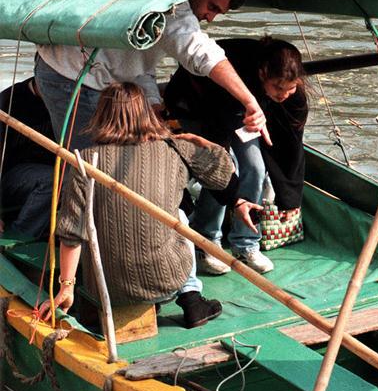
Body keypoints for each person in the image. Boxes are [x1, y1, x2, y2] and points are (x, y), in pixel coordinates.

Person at [38, 82, 261, 329]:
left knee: (100, 217)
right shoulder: (174, 148)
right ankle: (191, 298)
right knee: (177, 213)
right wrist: (202, 142)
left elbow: (71, 233)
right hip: (167, 279)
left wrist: (66, 287)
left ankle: (160, 297)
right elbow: (223, 173)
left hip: (105, 286)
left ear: (101, 115)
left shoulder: (84, 161)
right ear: (146, 113)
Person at [34, 0, 269, 152]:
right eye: (212, 7)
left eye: (218, 13)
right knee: (88, 164)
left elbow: (139, 62)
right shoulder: (171, 10)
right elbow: (204, 54)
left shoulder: (162, 1)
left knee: (108, 158)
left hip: (98, 77)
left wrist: (154, 102)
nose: (210, 17)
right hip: (70, 74)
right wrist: (250, 101)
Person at [164, 36, 308, 275]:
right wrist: (228, 181)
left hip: (243, 112)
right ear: (263, 74)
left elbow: (291, 143)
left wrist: (291, 197)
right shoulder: (232, 75)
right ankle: (206, 242)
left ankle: (246, 242)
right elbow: (217, 148)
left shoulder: (292, 96)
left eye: (290, 88)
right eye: (278, 88)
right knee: (226, 169)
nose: (284, 94)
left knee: (256, 168)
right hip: (198, 105)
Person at [0, 78, 55, 240]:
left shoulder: (66, 103)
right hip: (11, 176)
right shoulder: (8, 101)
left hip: (42, 174)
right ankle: (19, 237)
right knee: (55, 178)